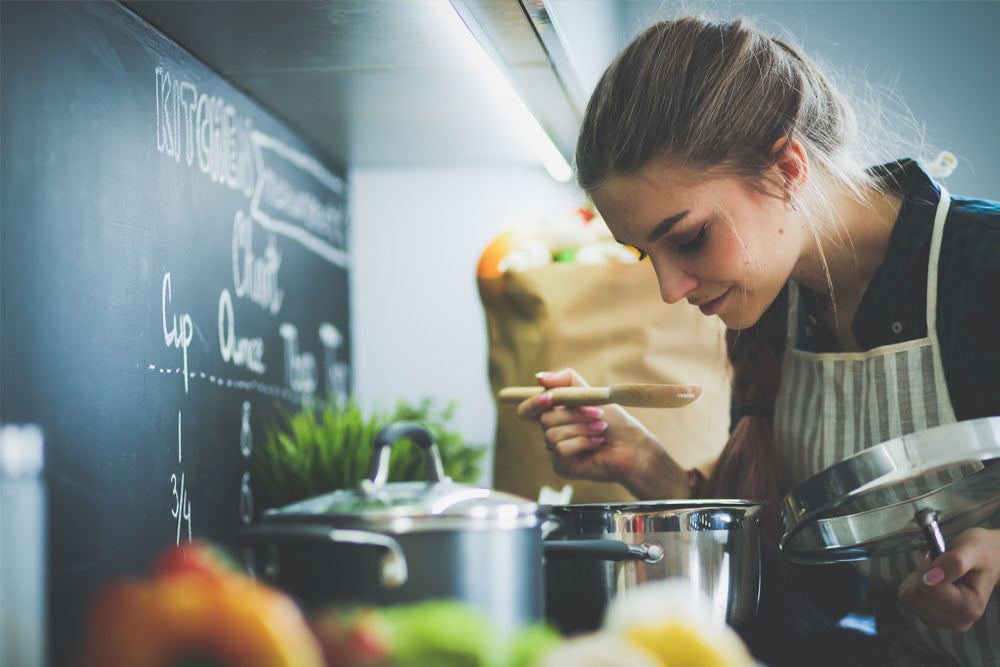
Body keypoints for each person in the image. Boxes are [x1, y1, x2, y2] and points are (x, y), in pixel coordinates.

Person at [515, 16, 1000, 667]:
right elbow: (810, 586)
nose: (669, 288)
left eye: (687, 237)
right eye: (645, 254)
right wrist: (645, 465)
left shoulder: (983, 262)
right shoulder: (773, 312)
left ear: (787, 169)